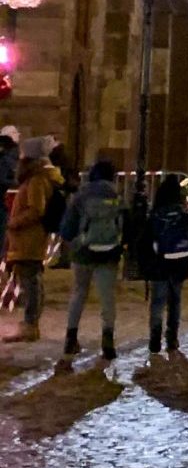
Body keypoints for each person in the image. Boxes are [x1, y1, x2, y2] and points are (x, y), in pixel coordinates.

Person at [59, 158, 126, 358]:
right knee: (108, 298)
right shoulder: (117, 196)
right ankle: (108, 340)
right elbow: (126, 224)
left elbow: (67, 228)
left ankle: (71, 339)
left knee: (79, 292)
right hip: (109, 252)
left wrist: (74, 241)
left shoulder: (81, 196)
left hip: (83, 252)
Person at [5, 137, 63, 340]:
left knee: (31, 282)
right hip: (29, 238)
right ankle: (31, 323)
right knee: (31, 280)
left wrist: (14, 223)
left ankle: (30, 325)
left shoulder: (37, 179)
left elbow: (36, 209)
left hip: (30, 238)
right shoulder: (38, 177)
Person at [140, 174, 188, 354]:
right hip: (181, 263)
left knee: (158, 302)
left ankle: (154, 340)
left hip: (160, 264)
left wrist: (145, 266)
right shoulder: (184, 215)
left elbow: (144, 243)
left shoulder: (156, 215)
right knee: (175, 300)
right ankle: (172, 338)